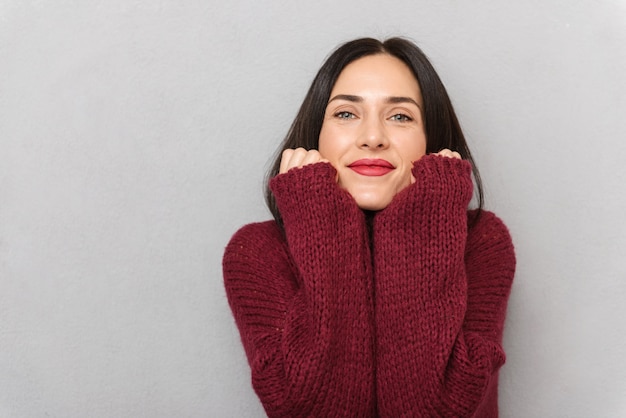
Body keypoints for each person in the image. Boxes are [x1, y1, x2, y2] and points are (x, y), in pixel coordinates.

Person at [222, 37, 516, 417]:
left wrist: (423, 219)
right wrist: (320, 221)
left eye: (400, 116)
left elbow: (432, 409)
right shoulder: (258, 251)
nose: (373, 137)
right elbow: (314, 409)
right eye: (346, 114)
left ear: (431, 140)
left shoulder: (482, 242)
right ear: (316, 135)